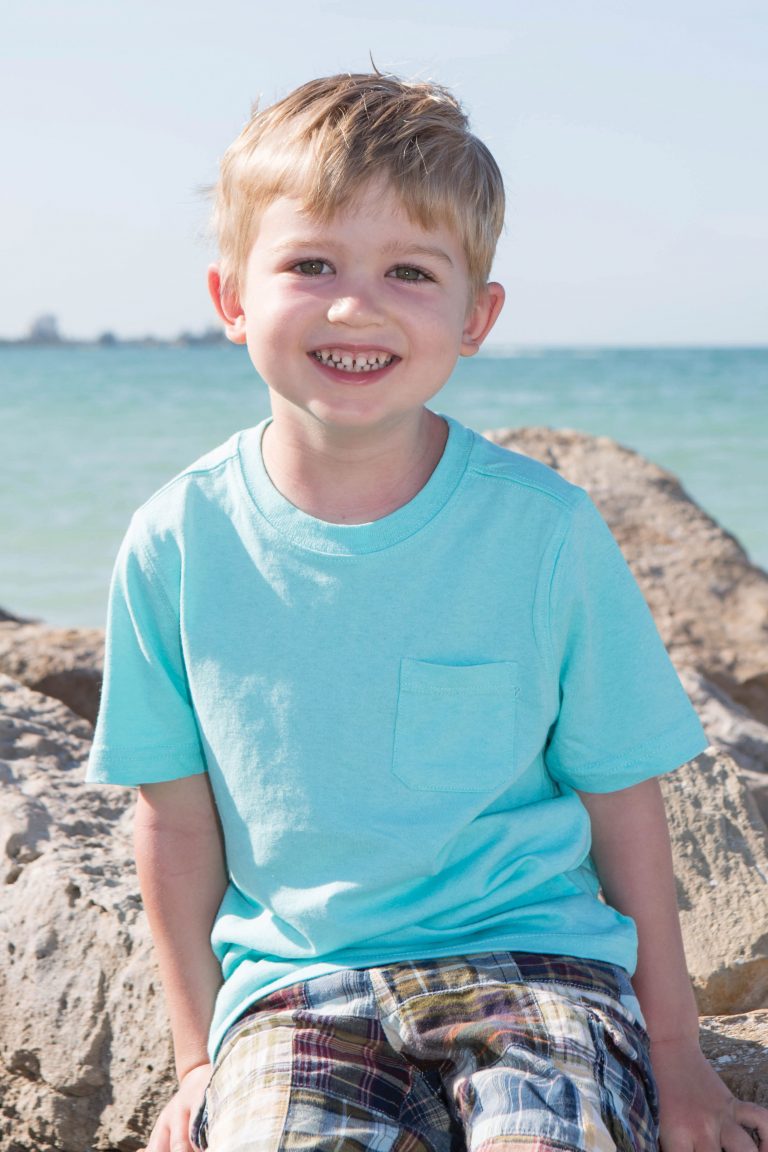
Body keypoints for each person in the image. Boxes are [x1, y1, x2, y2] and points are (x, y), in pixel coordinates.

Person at [86, 72, 768, 1152]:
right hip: (301, 988)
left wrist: (678, 1056)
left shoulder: (544, 532)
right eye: (311, 264)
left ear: (475, 316)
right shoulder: (177, 542)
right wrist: (192, 1062)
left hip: (539, 968)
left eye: (410, 271)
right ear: (229, 299)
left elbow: (623, 802)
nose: (355, 304)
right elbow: (172, 822)